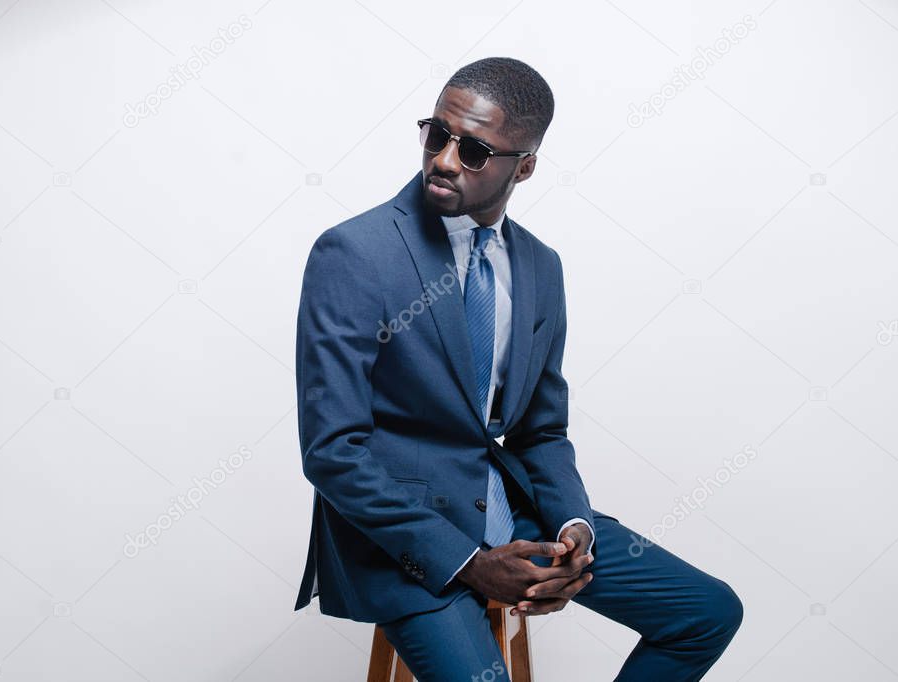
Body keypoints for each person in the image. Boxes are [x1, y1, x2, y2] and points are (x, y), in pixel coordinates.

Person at [293, 57, 742, 681]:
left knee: (707, 612)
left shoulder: (539, 267)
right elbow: (333, 451)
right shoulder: (356, 253)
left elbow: (540, 430)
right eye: (436, 135)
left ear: (524, 166)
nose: (445, 159)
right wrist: (469, 562)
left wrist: (572, 530)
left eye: (474, 150)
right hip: (406, 539)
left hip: (515, 510)